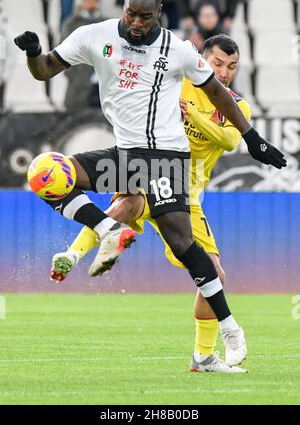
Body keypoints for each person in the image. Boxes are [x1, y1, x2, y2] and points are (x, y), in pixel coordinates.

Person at [14, 0, 286, 371]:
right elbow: (45, 71)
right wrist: (34, 53)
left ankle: (228, 327)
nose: (136, 22)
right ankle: (106, 232)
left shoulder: (177, 49)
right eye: (130, 13)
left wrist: (253, 138)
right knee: (45, 172)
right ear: (123, 6)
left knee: (183, 245)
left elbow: (217, 94)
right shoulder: (95, 35)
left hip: (165, 159)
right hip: (126, 157)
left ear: (158, 14)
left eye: (144, 16)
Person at [50, 34, 253, 373]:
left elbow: (231, 140)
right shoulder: (176, 82)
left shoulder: (234, 105)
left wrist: (194, 115)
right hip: (153, 171)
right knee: (128, 203)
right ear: (202, 60)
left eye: (231, 66)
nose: (225, 72)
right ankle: (73, 254)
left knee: (213, 272)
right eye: (217, 63)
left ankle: (203, 356)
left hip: (186, 198)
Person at [61, 0, 106, 112]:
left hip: (101, 80)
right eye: (88, 0)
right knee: (74, 115)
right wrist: (70, 73)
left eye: (93, 1)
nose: (91, 4)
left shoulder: (107, 24)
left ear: (98, 3)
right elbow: (63, 49)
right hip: (77, 79)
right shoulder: (72, 23)